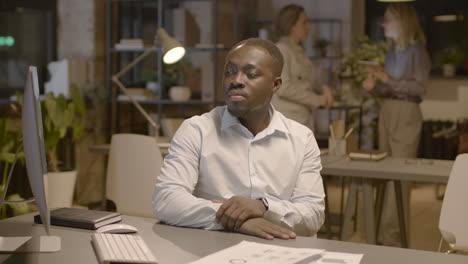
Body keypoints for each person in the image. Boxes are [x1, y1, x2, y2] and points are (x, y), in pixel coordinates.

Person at [152, 38, 325, 240]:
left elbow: (313, 214)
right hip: (209, 250)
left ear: (275, 85)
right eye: (229, 72)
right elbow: (166, 200)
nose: (236, 80)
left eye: (250, 74)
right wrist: (237, 221)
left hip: (279, 252)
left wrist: (264, 207)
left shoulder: (301, 139)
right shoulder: (196, 130)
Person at [362, 3, 430, 246]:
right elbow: (390, 88)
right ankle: (381, 238)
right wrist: (374, 88)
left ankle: (393, 241)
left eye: (388, 19)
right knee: (384, 174)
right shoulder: (392, 52)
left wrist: (387, 78)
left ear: (403, 22)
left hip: (407, 112)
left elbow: (420, 88)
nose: (383, 23)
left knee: (399, 179)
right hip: (388, 110)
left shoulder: (417, 52)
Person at [271, 4, 334, 130]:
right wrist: (317, 99)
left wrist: (324, 89)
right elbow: (283, 87)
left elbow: (309, 80)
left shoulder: (298, 51)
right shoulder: (282, 50)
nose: (308, 27)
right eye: (304, 22)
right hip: (288, 123)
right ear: (292, 25)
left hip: (302, 121)